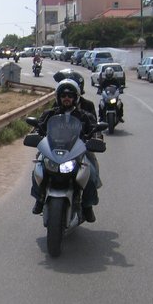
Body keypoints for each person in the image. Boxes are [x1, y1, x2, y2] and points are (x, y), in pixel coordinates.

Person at [30, 79, 101, 222]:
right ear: (58, 97)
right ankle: (39, 199)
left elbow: (95, 131)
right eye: (63, 95)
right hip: (53, 150)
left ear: (76, 97)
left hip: (78, 151)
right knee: (38, 168)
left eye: (70, 95)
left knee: (91, 173)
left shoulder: (85, 116)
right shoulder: (49, 114)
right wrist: (35, 134)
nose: (66, 98)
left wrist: (97, 138)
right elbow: (38, 128)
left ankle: (87, 205)